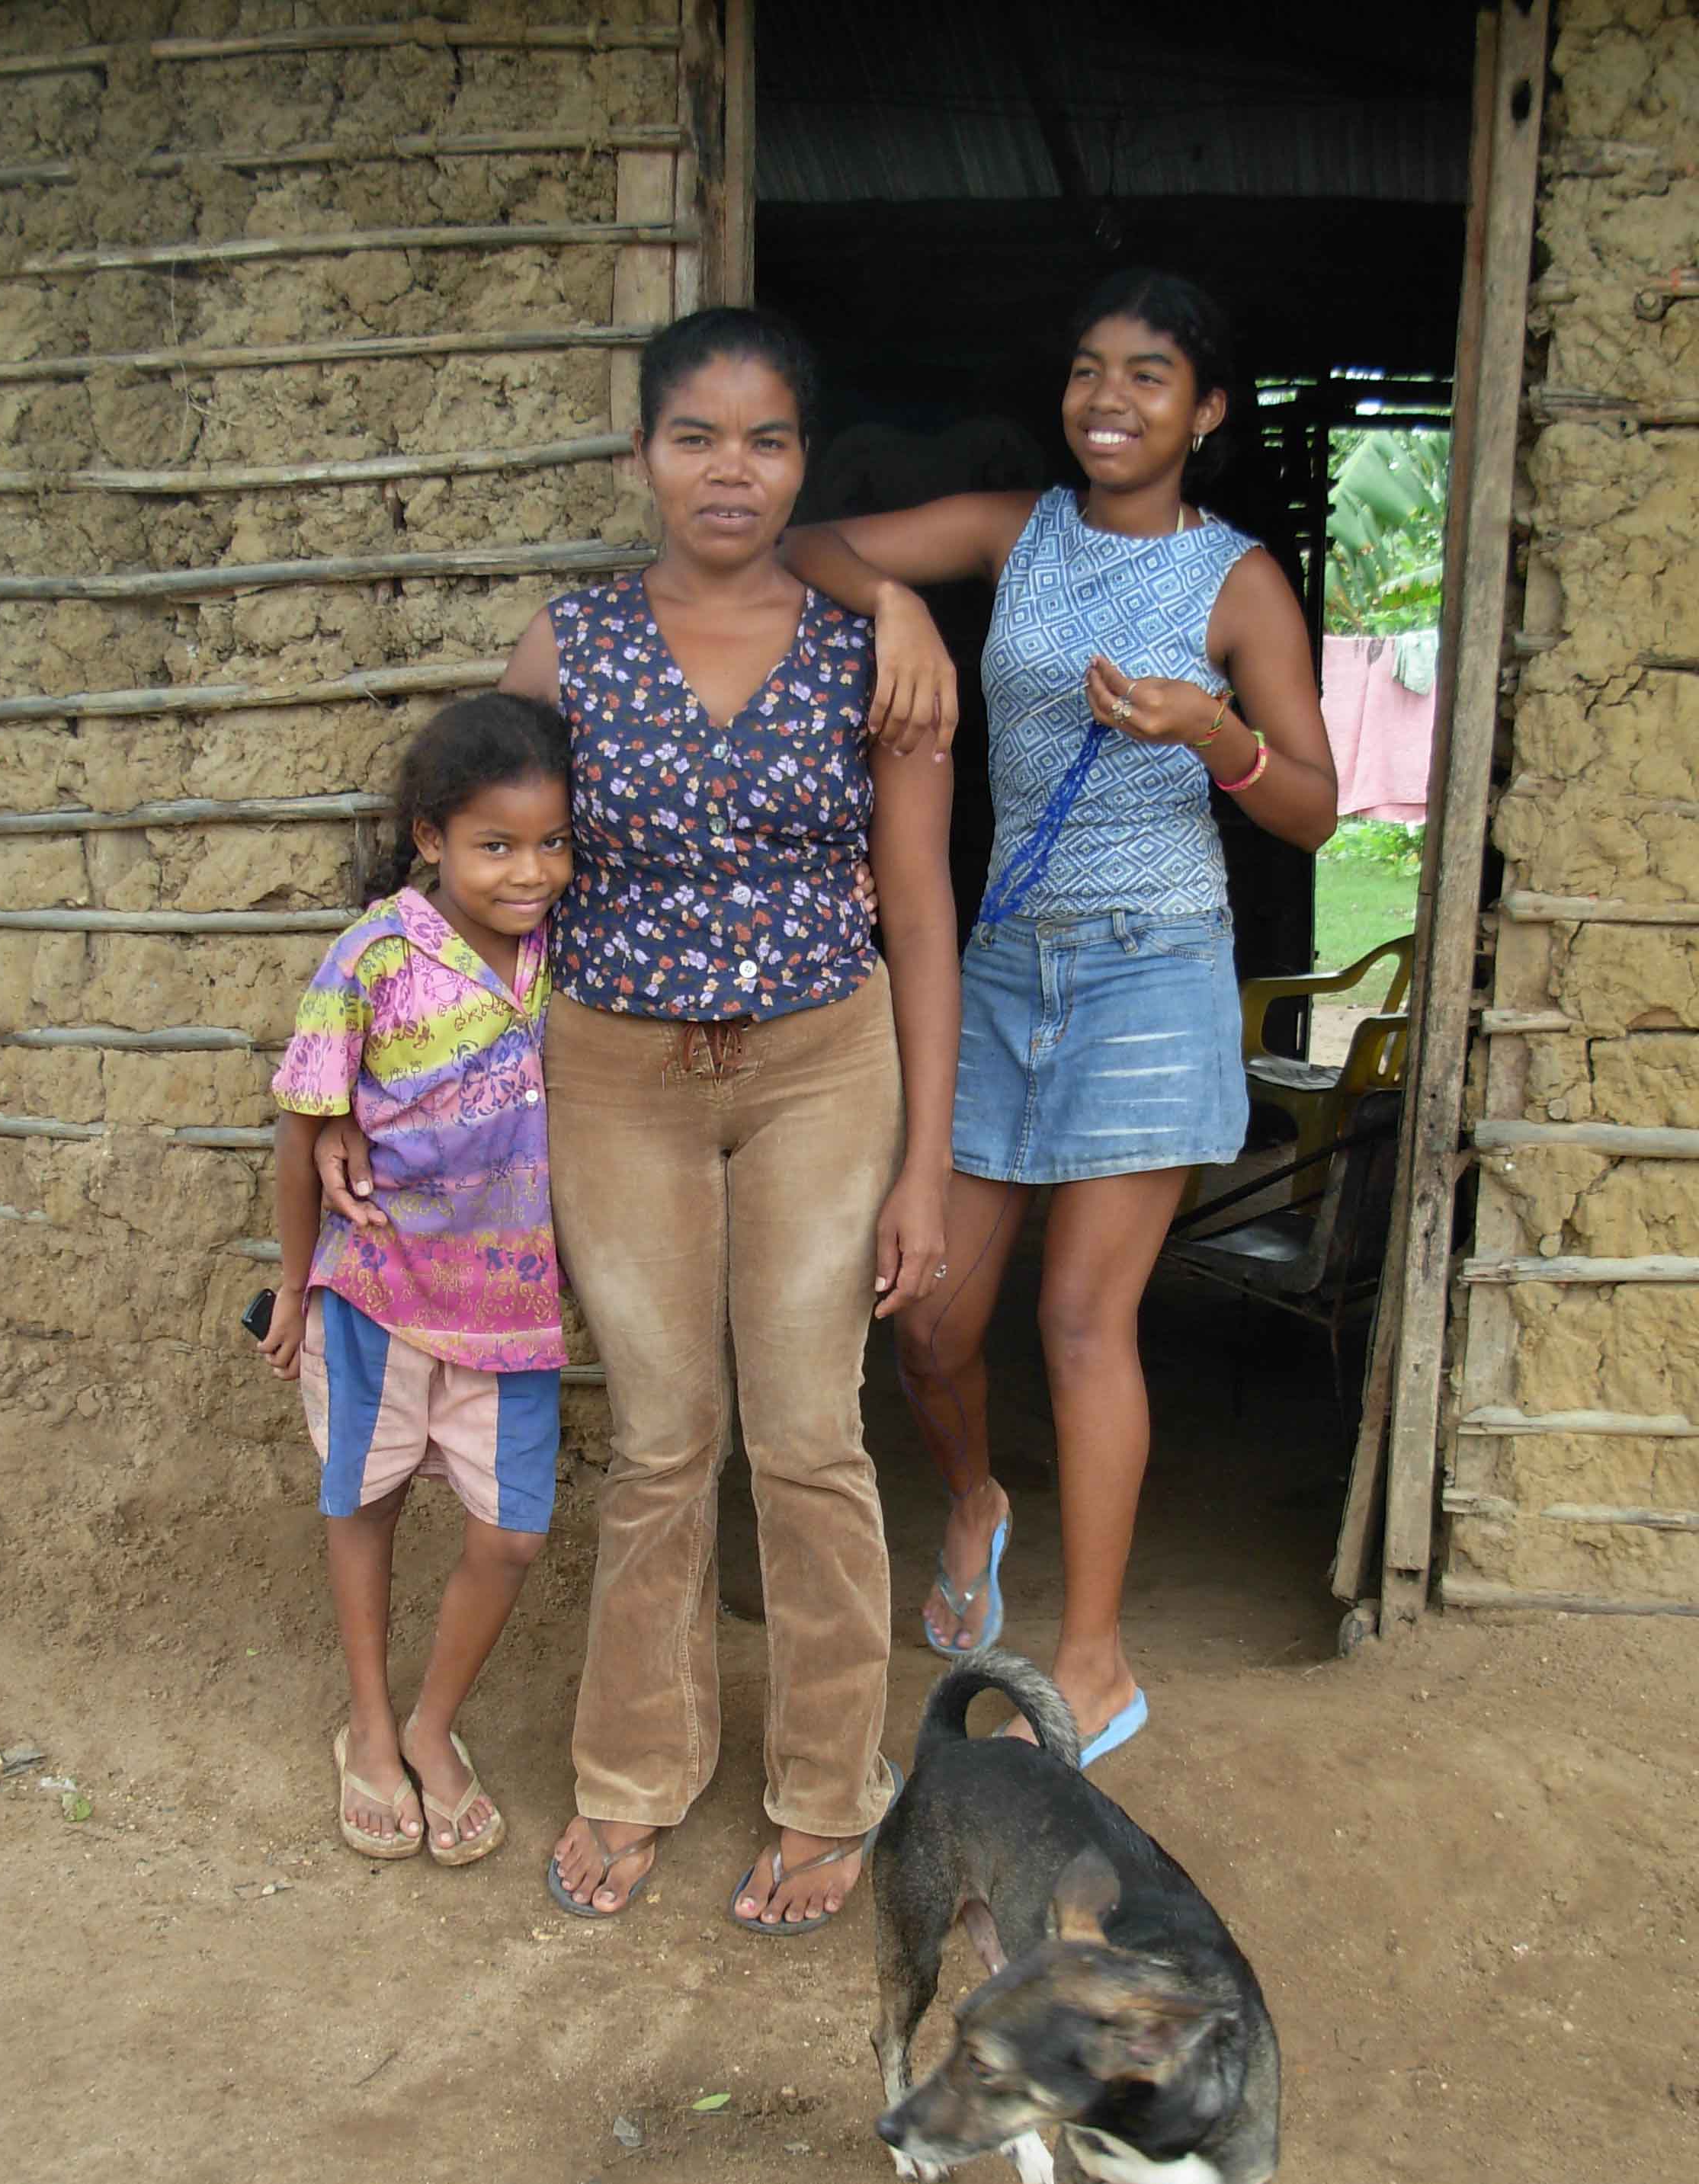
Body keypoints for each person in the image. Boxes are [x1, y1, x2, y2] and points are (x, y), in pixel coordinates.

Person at [319, 308, 960, 1926]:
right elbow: (482, 882)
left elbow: (920, 904)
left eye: (766, 441)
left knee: (809, 1433)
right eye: (696, 437)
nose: (728, 471)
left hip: (826, 1060)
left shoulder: (873, 650)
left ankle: (830, 1785)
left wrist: (927, 1162)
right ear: (641, 458)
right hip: (615, 1076)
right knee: (667, 1434)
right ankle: (634, 1772)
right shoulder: (573, 647)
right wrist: (365, 1094)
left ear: (804, 465)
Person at [780, 268, 1338, 1762]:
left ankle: (1093, 1661)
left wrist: (1220, 734)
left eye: (1150, 376)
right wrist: (902, 601)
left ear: (1206, 412)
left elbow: (1316, 810)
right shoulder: (1007, 529)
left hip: (1155, 968)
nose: (1109, 398)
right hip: (1008, 960)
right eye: (1091, 370)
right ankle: (975, 1497)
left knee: (1085, 1321)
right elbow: (801, 542)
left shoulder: (1238, 585)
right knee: (936, 1315)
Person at [261, 693, 574, 1865]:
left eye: (552, 842)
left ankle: (438, 1726)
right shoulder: (373, 958)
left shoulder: (565, 951)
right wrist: (295, 1289)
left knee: (510, 1535)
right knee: (366, 1503)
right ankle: (374, 1727)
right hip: (379, 1298)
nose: (529, 871)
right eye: (496, 845)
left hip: (511, 1320)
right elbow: (303, 1133)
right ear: (432, 839)